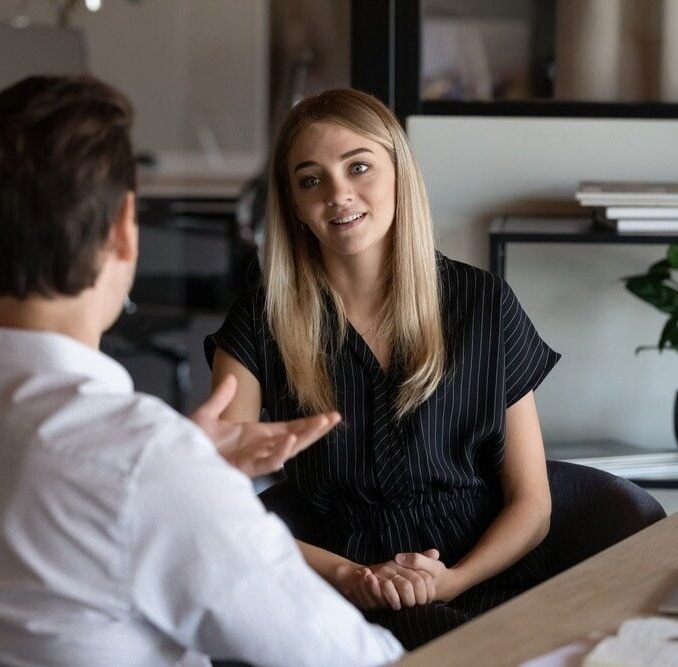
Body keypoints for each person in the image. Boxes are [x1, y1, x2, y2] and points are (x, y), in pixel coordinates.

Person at [0, 76, 404, 667]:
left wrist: (190, 467)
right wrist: (186, 477)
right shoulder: (143, 466)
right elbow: (352, 658)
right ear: (122, 229)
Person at [207, 88, 561, 649]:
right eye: (311, 179)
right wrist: (350, 576)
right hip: (337, 595)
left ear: (399, 173)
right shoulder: (261, 321)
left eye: (359, 167)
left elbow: (532, 505)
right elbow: (216, 506)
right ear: (294, 205)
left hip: (486, 581)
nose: (338, 194)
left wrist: (452, 580)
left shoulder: (483, 303)